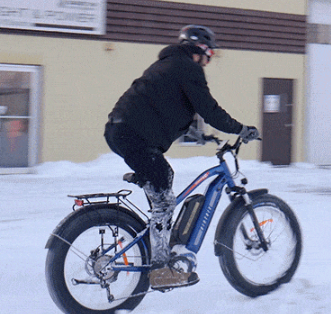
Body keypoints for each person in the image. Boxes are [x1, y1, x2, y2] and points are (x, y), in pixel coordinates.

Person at [104, 25, 260, 290]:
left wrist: (200, 136)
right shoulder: (188, 67)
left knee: (163, 183)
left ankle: (157, 247)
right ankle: (161, 270)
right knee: (165, 198)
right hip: (133, 135)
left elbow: (167, 106)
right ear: (200, 50)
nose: (208, 62)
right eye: (209, 55)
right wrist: (241, 129)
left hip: (122, 131)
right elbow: (209, 109)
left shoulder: (168, 65)